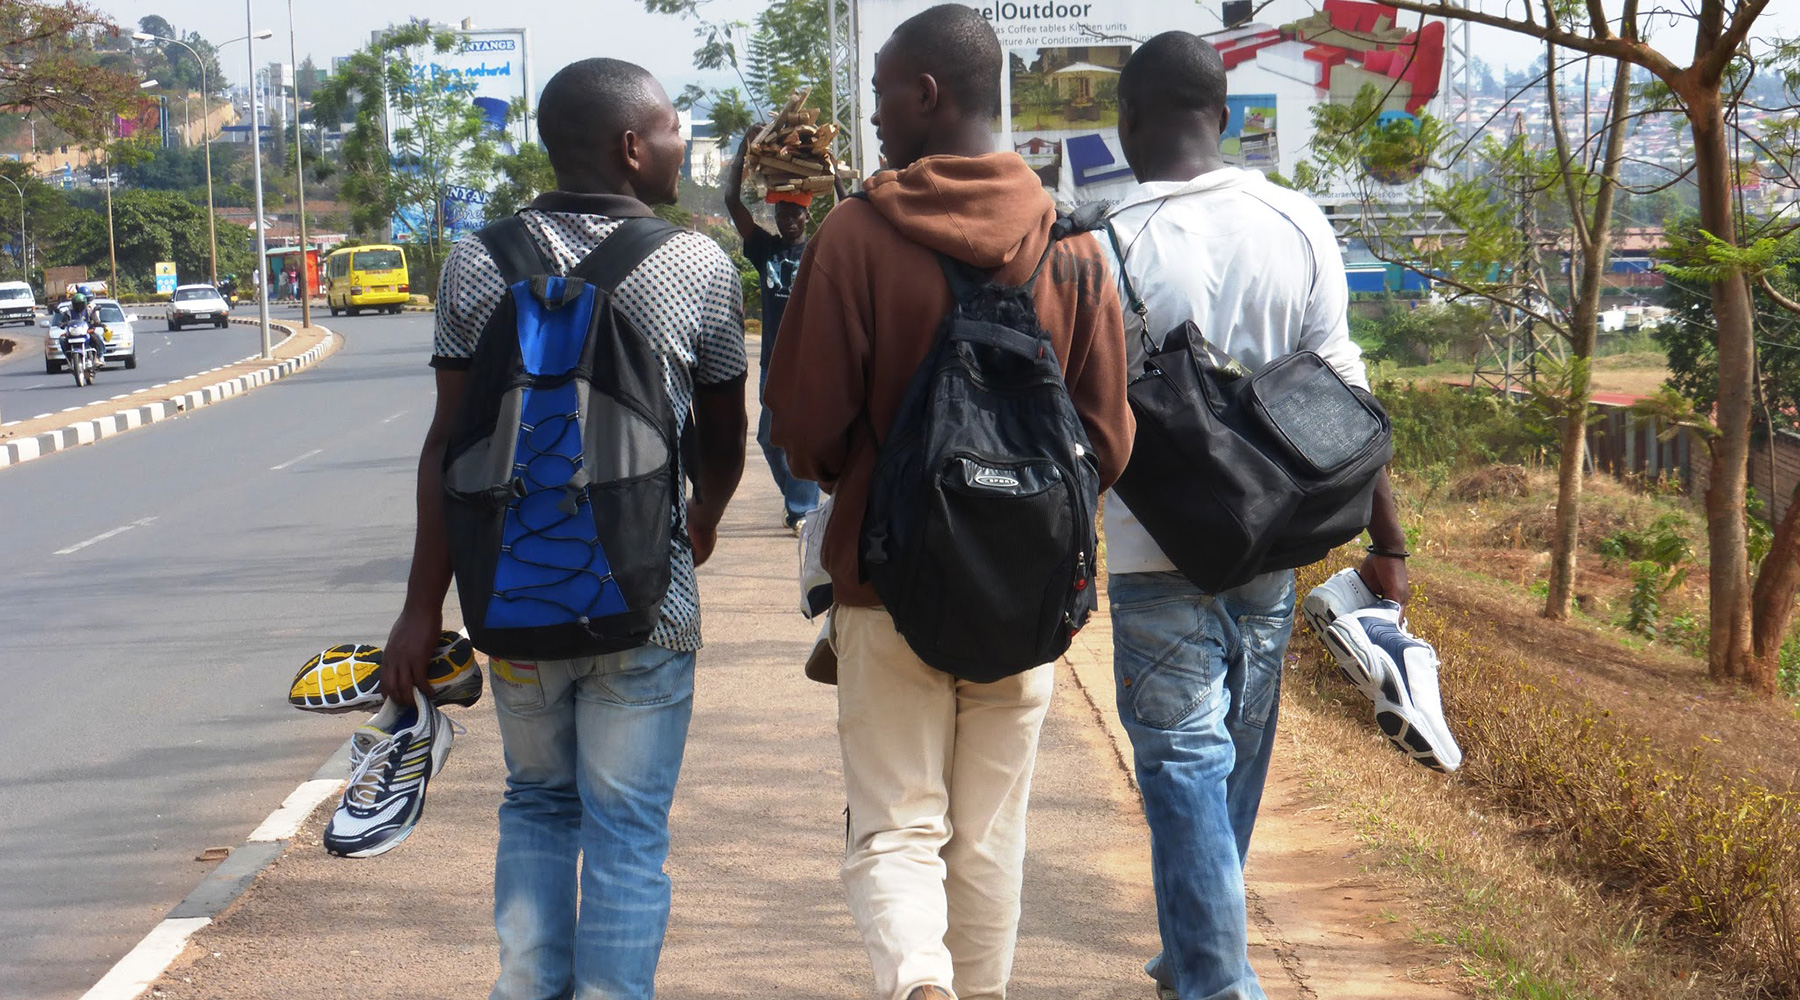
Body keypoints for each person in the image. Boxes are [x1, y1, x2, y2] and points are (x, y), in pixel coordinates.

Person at [766, 7, 1131, 1000]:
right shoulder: (1076, 246)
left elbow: (806, 428)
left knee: (895, 826)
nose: (873, 116)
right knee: (990, 839)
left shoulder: (854, 236)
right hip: (1026, 597)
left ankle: (920, 981)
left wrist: (882, 468)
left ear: (927, 92)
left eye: (883, 90)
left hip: (887, 585)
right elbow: (1107, 440)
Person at [379, 57, 748, 1000]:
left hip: (514, 599)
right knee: (628, 832)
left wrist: (422, 610)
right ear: (632, 147)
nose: (678, 143)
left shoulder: (476, 258)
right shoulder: (696, 262)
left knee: (537, 803)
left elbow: (445, 444)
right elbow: (725, 437)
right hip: (645, 603)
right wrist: (697, 521)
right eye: (670, 129)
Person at [1098, 33, 1410, 1000]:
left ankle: (1212, 979)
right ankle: (1199, 957)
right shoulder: (1297, 220)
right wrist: (1388, 538)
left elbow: (1079, 412)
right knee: (1228, 757)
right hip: (1277, 542)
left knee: (1186, 763)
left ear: (1127, 122)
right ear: (1225, 118)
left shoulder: (1102, 240)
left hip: (1154, 552)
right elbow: (1347, 401)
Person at [723, 135, 820, 533]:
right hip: (771, 360)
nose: (789, 220)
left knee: (801, 433)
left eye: (796, 213)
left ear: (807, 217)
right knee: (767, 437)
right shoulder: (765, 250)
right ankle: (797, 502)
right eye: (783, 213)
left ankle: (803, 509)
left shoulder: (820, 248)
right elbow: (733, 203)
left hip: (808, 359)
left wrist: (828, 168)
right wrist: (743, 154)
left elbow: (850, 209)